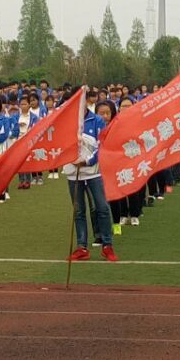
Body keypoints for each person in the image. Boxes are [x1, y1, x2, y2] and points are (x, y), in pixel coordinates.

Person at [67, 98, 116, 262]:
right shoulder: (67, 120)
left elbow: (101, 145)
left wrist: (88, 161)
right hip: (73, 173)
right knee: (78, 211)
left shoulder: (97, 120)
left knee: (102, 208)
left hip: (94, 172)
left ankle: (107, 245)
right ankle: (82, 247)